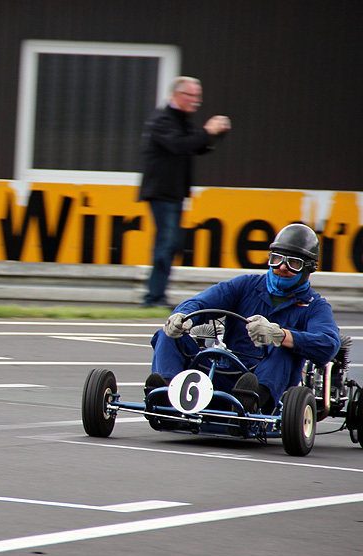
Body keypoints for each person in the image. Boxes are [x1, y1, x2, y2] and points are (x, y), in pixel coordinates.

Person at [146, 223, 340, 414]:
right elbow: (201, 302)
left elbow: (329, 344)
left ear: (308, 268)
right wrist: (183, 317)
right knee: (167, 335)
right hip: (224, 371)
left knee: (282, 351)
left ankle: (249, 403)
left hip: (271, 383)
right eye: (277, 259)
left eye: (293, 263)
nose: (282, 267)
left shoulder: (314, 305)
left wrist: (281, 335)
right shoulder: (245, 285)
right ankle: (166, 396)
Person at [139, 76, 232, 308]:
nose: (196, 101)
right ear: (178, 95)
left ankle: (157, 295)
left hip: (175, 193)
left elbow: (197, 146)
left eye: (198, 97)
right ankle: (153, 298)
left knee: (172, 244)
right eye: (192, 96)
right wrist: (206, 131)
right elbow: (178, 145)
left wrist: (215, 134)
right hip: (162, 192)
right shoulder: (162, 119)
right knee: (166, 243)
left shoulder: (182, 120)